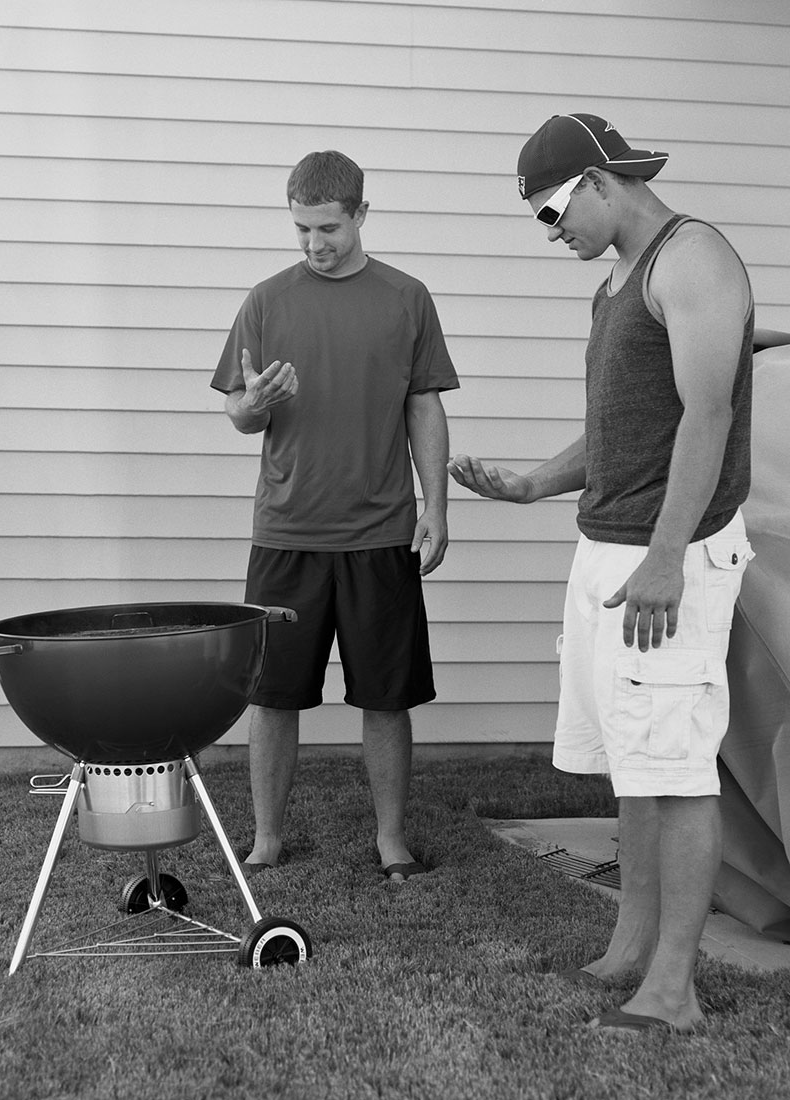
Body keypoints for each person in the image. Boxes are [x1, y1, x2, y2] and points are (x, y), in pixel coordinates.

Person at [449, 113, 756, 1033]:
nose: (553, 233)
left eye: (552, 211)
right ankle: (630, 945)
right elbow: (627, 423)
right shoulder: (617, 281)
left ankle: (673, 989)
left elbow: (706, 417)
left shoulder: (691, 258)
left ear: (596, 178)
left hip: (674, 555)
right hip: (609, 549)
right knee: (633, 762)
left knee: (675, 766)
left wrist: (666, 557)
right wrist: (536, 484)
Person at [212, 150, 459, 883]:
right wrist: (251, 407)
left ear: (360, 215)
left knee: (386, 697)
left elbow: (424, 403)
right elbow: (237, 410)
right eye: (301, 230)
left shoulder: (407, 299)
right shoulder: (266, 301)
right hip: (286, 533)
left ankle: (391, 841)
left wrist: (436, 506)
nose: (314, 244)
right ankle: (265, 839)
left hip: (380, 532)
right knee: (272, 696)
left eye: (327, 228)